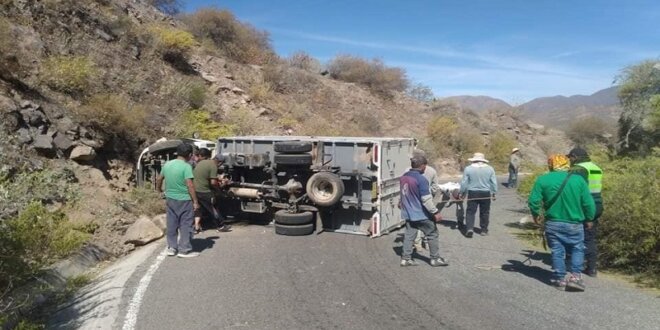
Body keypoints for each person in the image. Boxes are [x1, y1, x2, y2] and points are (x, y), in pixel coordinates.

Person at [528, 154, 595, 291]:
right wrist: (589, 218)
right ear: (567, 164)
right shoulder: (579, 180)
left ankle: (560, 279)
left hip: (553, 223)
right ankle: (575, 277)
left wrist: (536, 215)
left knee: (557, 250)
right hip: (575, 223)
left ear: (551, 164)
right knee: (577, 248)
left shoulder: (543, 180)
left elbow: (533, 201)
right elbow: (588, 203)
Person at [399, 155, 449, 267]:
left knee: (409, 234)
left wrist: (400, 202)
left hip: (408, 212)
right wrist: (435, 212)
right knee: (432, 233)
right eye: (425, 166)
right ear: (422, 166)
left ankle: (406, 259)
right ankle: (435, 259)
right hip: (420, 214)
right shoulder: (421, 179)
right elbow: (426, 199)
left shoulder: (404, 177)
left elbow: (403, 193)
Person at [156, 143, 200, 258]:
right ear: (190, 155)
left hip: (170, 198)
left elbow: (159, 178)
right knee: (185, 224)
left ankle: (171, 247)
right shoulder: (186, 167)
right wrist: (195, 201)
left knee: (172, 223)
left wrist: (159, 190)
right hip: (185, 200)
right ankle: (184, 250)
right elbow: (190, 185)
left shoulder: (167, 164)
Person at [568, 147, 603, 277]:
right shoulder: (595, 167)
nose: (569, 160)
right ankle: (592, 268)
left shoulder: (578, 169)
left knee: (576, 236)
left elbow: (574, 188)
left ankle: (576, 264)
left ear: (575, 157)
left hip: (583, 205)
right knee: (590, 237)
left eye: (570, 157)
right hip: (597, 204)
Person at [192, 149, 232, 233]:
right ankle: (220, 226)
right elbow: (213, 183)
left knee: (199, 209)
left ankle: (196, 227)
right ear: (219, 162)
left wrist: (218, 179)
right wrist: (219, 189)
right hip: (204, 191)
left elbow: (204, 176)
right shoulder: (213, 165)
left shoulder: (202, 162)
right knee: (214, 207)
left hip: (195, 190)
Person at [459, 152, 497, 238]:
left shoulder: (468, 169)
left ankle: (469, 228)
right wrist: (494, 192)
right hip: (485, 192)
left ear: (474, 160)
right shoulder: (490, 169)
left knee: (470, 212)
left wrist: (462, 192)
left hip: (473, 192)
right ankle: (483, 229)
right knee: (485, 212)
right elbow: (493, 182)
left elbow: (464, 183)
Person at [414, 158, 440, 251]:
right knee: (428, 221)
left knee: (416, 222)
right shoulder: (432, 171)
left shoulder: (410, 170)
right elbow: (435, 186)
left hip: (415, 199)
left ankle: (418, 244)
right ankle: (428, 243)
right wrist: (431, 196)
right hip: (427, 198)